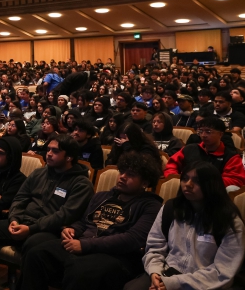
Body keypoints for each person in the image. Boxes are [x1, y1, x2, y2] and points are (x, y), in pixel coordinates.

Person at [20, 152, 163, 290]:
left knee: (81, 270)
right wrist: (73, 229)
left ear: (145, 182)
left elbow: (132, 239)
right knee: (36, 254)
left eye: (131, 175)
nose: (122, 177)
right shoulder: (102, 196)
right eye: (122, 171)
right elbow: (84, 222)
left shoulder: (151, 206)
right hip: (84, 243)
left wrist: (85, 245)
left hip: (116, 255)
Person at [0, 135, 95, 290]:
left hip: (49, 230)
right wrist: (14, 219)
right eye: (48, 149)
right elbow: (19, 199)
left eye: (55, 151)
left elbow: (64, 215)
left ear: (69, 157)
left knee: (33, 246)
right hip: (23, 222)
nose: (48, 153)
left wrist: (31, 229)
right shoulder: (38, 173)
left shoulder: (81, 184)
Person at [124, 162, 245, 290]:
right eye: (185, 178)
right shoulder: (171, 209)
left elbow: (223, 271)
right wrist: (155, 272)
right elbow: (155, 247)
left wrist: (174, 283)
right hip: (165, 273)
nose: (188, 184)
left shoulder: (229, 222)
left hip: (204, 283)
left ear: (212, 185)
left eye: (197, 180)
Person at [164, 116, 245, 189]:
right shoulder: (189, 149)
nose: (203, 135)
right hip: (186, 189)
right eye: (201, 131)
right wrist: (177, 179)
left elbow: (236, 180)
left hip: (215, 193)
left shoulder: (230, 156)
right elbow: (171, 165)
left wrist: (204, 183)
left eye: (208, 132)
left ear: (220, 134)